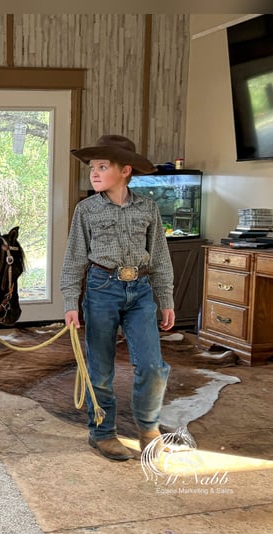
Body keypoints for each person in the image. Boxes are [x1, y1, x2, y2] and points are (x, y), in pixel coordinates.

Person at [60, 134, 175, 461]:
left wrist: (165, 298)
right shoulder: (86, 210)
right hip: (101, 289)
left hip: (140, 291)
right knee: (100, 368)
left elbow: (160, 258)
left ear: (125, 170)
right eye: (92, 168)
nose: (93, 173)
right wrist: (71, 302)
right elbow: (73, 260)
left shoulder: (148, 208)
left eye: (102, 167)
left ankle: (149, 429)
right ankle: (102, 432)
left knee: (152, 365)